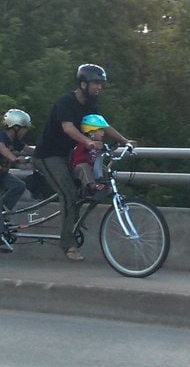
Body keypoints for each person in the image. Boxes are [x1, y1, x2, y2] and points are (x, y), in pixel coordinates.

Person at [34, 64, 134, 261]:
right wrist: (88, 141)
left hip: (69, 157)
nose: (100, 87)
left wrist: (125, 141)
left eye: (101, 84)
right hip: (48, 156)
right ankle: (68, 244)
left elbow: (102, 125)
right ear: (83, 83)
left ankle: (73, 222)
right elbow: (68, 128)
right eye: (96, 83)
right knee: (68, 193)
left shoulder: (90, 104)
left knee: (91, 187)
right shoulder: (66, 102)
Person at [0, 109, 35, 252]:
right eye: (24, 128)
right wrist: (14, 159)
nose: (25, 131)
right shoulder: (1, 137)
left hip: (1, 175)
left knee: (19, 186)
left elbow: (29, 150)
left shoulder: (16, 141)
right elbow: (1, 148)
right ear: (15, 127)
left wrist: (44, 156)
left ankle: (1, 211)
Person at [70, 113, 109, 198]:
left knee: (104, 169)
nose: (103, 133)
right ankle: (92, 186)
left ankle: (105, 187)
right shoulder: (84, 142)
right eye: (100, 130)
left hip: (91, 167)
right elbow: (87, 145)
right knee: (84, 167)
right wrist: (92, 144)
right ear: (91, 132)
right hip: (78, 169)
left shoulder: (97, 143)